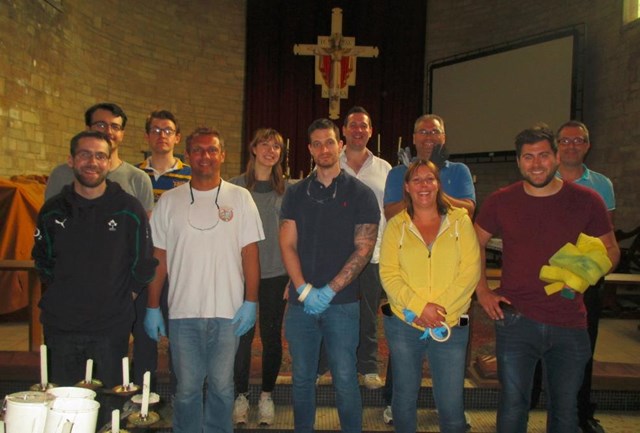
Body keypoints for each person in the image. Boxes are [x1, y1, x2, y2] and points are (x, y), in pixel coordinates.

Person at [474, 125, 620, 433]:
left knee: (565, 409)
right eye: (528, 157)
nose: (536, 164)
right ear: (518, 161)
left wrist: (586, 274)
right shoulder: (502, 201)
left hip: (569, 321)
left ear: (556, 157)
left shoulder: (587, 200)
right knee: (513, 405)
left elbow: (611, 249)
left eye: (543, 155)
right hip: (516, 320)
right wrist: (483, 291)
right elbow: (474, 243)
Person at [144, 127, 263, 433]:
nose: (205, 156)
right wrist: (153, 305)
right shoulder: (170, 201)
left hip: (229, 312)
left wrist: (251, 301)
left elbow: (250, 254)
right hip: (183, 313)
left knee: (223, 388)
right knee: (186, 389)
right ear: (187, 156)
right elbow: (159, 258)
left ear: (222, 155)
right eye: (197, 150)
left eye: (212, 150)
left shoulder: (241, 198)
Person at [32, 130, 157, 421]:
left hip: (110, 327)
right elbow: (43, 261)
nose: (93, 161)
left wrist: (126, 297)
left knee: (108, 411)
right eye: (85, 154)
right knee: (63, 410)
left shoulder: (129, 209)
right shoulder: (52, 211)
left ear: (109, 161)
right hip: (61, 326)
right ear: (71, 160)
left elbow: (143, 262)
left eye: (100, 155)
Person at [280, 118, 380, 433]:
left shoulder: (361, 193)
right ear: (310, 149)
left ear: (340, 145)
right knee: (302, 379)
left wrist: (329, 290)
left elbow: (363, 250)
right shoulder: (295, 193)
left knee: (346, 378)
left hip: (343, 304)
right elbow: (287, 244)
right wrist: (304, 290)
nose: (325, 148)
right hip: (301, 304)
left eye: (330, 142)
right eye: (317, 143)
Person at [381, 113, 476, 424]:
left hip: (449, 320)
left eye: (430, 179)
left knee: (450, 406)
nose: (424, 185)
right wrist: (420, 308)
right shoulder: (397, 226)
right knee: (404, 401)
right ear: (406, 185)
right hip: (406, 320)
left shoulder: (459, 220)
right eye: (417, 180)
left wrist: (440, 311)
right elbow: (389, 274)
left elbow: (470, 270)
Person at [530, 120, 616, 433]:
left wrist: (587, 272)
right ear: (556, 146)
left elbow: (606, 237)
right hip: (546, 277)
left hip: (584, 281)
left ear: (587, 145)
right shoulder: (541, 177)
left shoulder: (602, 185)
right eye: (565, 141)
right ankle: (528, 402)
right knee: (535, 341)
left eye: (578, 140)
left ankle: (580, 412)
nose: (571, 146)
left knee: (581, 348)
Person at [316, 106, 391, 389]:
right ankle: (325, 366)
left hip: (373, 254)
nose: (359, 130)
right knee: (331, 309)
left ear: (370, 131)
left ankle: (368, 367)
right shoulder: (329, 163)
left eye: (364, 125)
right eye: (353, 125)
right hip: (335, 254)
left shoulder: (385, 169)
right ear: (344, 131)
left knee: (368, 313)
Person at [230, 128, 291, 426]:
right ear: (253, 148)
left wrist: (294, 276)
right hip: (239, 275)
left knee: (270, 337)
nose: (270, 150)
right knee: (241, 338)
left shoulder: (288, 190)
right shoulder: (233, 187)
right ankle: (240, 395)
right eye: (264, 144)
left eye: (276, 146)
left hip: (276, 274)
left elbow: (296, 237)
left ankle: (266, 394)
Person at [133, 110, 191, 392]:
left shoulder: (192, 175)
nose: (161, 135)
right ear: (146, 136)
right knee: (144, 338)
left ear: (177, 137)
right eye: (155, 130)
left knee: (180, 339)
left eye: (168, 130)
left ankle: (182, 398)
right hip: (144, 265)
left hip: (180, 268)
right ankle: (145, 399)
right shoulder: (134, 174)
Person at [44, 102, 154, 214]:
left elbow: (144, 227)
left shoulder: (139, 179)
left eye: (115, 127)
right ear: (87, 129)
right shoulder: (60, 174)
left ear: (122, 134)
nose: (108, 131)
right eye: (101, 125)